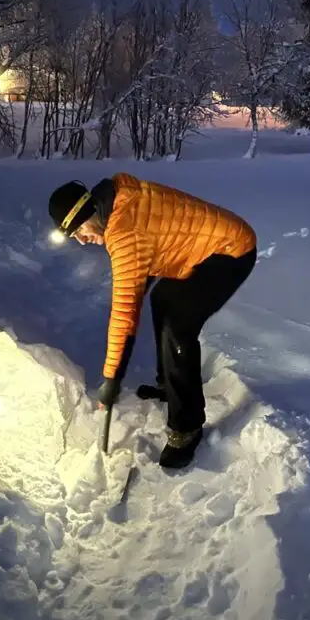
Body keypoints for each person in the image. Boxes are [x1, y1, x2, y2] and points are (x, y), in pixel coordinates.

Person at [48, 173, 257, 469]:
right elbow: (149, 245)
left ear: (90, 212)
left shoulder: (123, 231)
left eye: (80, 230)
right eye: (74, 237)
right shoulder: (118, 201)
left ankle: (187, 428)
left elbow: (124, 314)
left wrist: (111, 380)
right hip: (201, 249)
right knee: (163, 299)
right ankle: (169, 385)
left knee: (178, 327)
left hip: (230, 251)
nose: (82, 240)